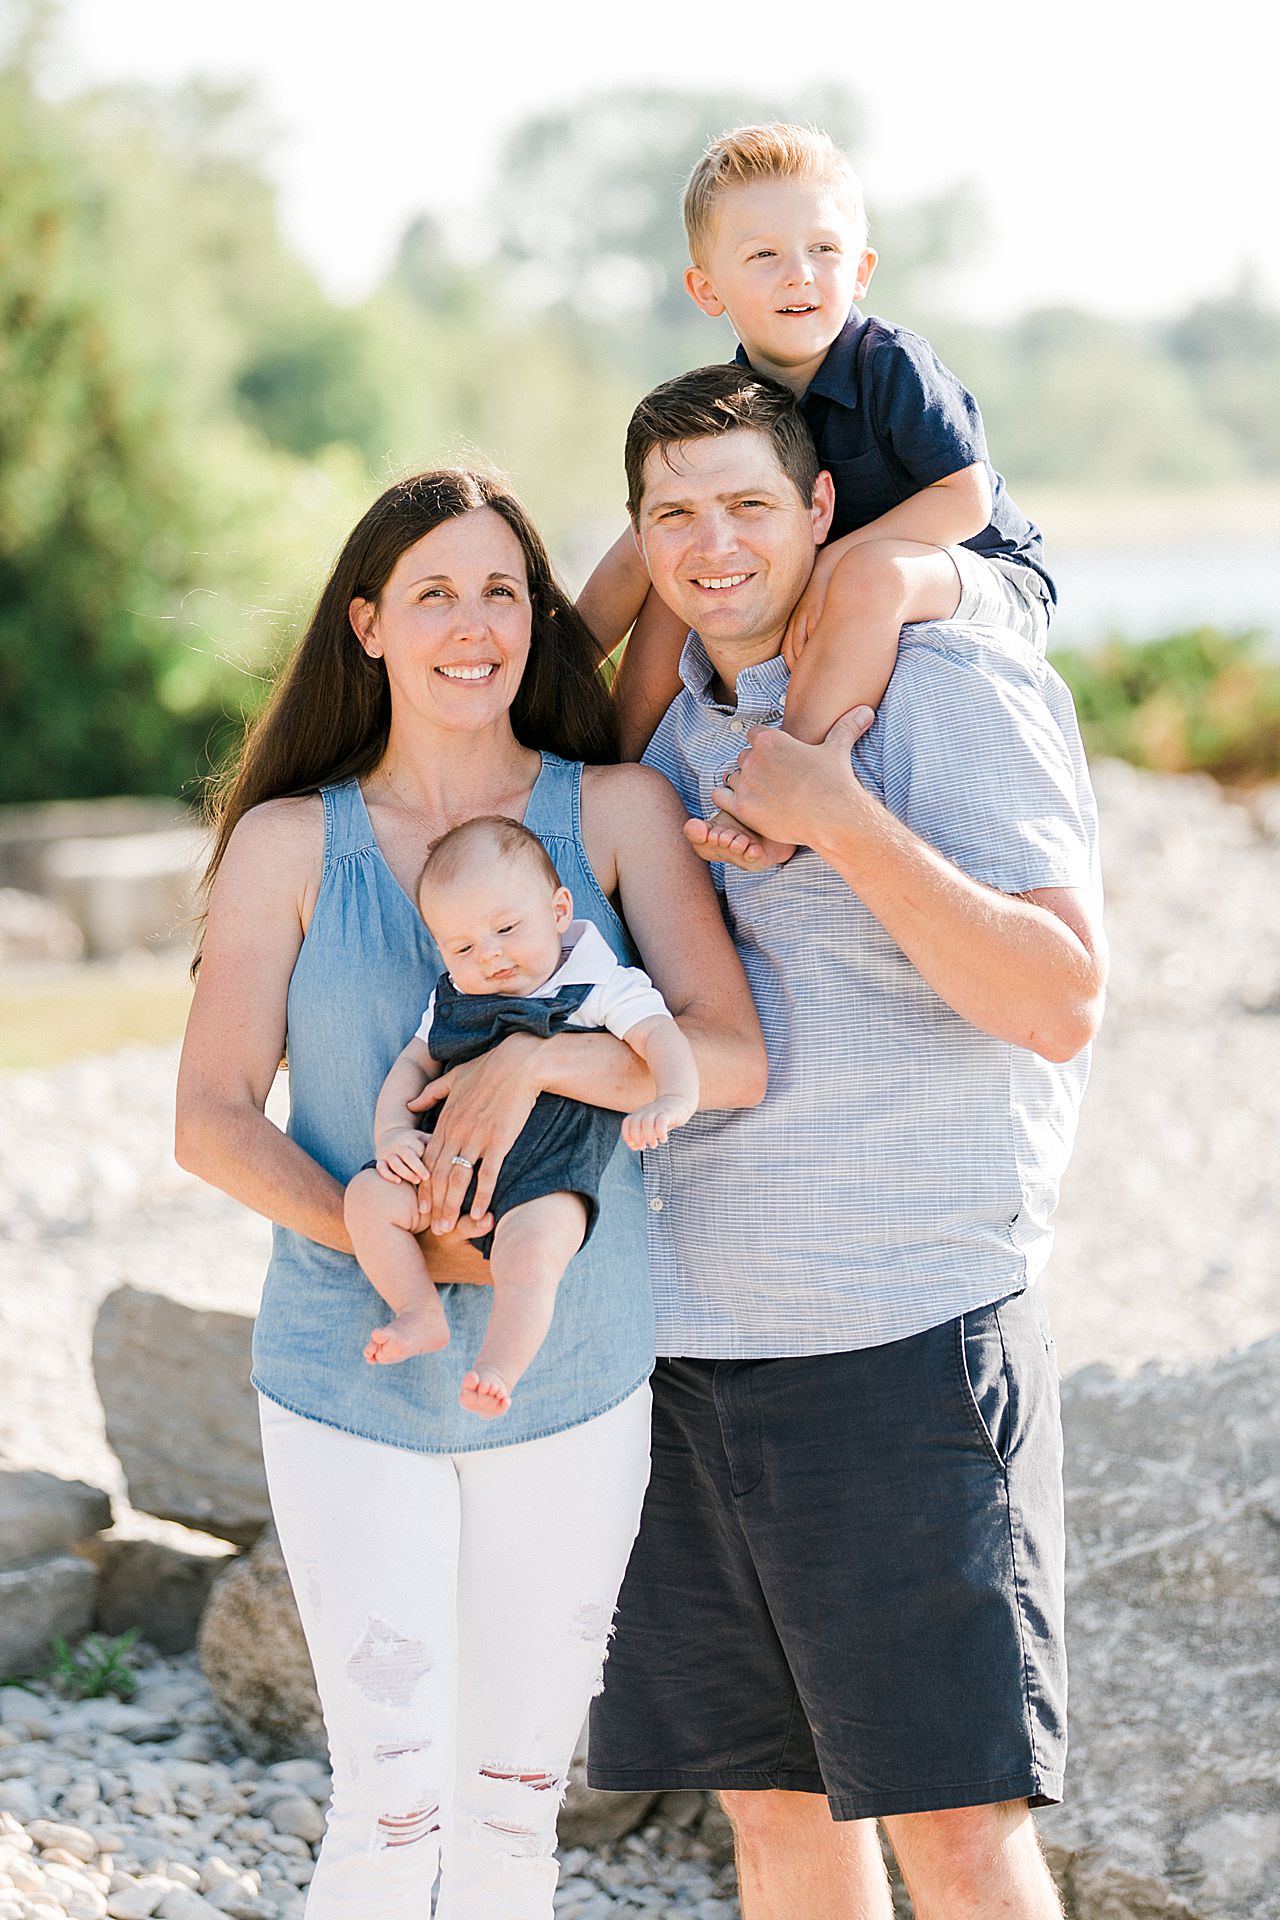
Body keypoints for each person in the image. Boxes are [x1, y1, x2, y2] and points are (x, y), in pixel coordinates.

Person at [175, 467, 765, 1920]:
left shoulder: (617, 816)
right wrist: (399, 1246)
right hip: (345, 1371)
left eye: (503, 587)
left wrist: (547, 1067)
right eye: (433, 591)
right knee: (387, 1814)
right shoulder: (289, 843)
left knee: (512, 1823)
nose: (473, 621)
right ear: (367, 624)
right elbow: (206, 1119)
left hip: (573, 1369)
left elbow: (733, 1055)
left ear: (537, 619)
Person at [586, 365, 1108, 1920]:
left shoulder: (950, 683)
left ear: (821, 509)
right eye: (672, 513)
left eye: (747, 502)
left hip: (902, 1343)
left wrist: (842, 815)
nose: (711, 542)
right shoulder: (659, 740)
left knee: (956, 1832)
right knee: (775, 1821)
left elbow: (1061, 1000)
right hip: (679, 1345)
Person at [578, 122, 1055, 870]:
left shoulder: (890, 363)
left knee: (870, 579)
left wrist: (838, 562)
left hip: (982, 571)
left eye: (822, 250)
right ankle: (601, 761)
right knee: (681, 552)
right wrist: (560, 661)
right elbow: (635, 549)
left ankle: (781, 810)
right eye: (764, 255)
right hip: (874, 573)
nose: (799, 274)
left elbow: (965, 501)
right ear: (708, 288)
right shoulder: (741, 402)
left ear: (861, 269)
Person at [345, 813, 698, 1417]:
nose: (490, 956)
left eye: (507, 927)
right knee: (366, 1198)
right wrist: (393, 1134)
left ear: (559, 910)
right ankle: (418, 1310)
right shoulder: (453, 998)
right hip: (444, 1168)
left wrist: (673, 1098)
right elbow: (412, 1065)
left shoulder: (598, 985)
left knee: (532, 1258)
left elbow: (662, 1038)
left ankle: (500, 1366)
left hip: (548, 1180)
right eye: (462, 946)